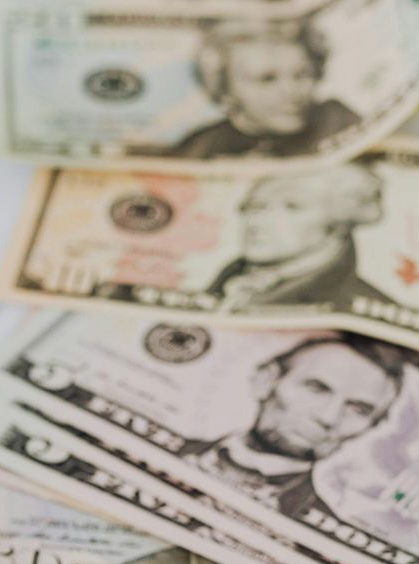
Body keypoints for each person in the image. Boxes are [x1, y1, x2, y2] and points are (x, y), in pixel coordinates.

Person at [180, 336, 404, 518]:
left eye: (358, 410)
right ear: (265, 380)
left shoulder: (323, 534)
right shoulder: (174, 449)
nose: (328, 417)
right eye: (316, 388)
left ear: (373, 426)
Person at [205, 163, 393, 312]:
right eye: (255, 206)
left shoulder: (366, 305)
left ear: (340, 222)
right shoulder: (228, 283)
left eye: (292, 207)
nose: (257, 221)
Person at [172, 18, 362, 160]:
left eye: (301, 75)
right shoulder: (202, 148)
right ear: (225, 91)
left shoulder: (336, 118)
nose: (292, 91)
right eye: (267, 79)